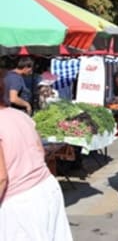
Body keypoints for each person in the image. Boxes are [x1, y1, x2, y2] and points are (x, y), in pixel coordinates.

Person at [0, 72, 73, 240]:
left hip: (19, 203)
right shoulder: (21, 116)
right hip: (47, 189)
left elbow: (1, 179)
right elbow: (40, 151)